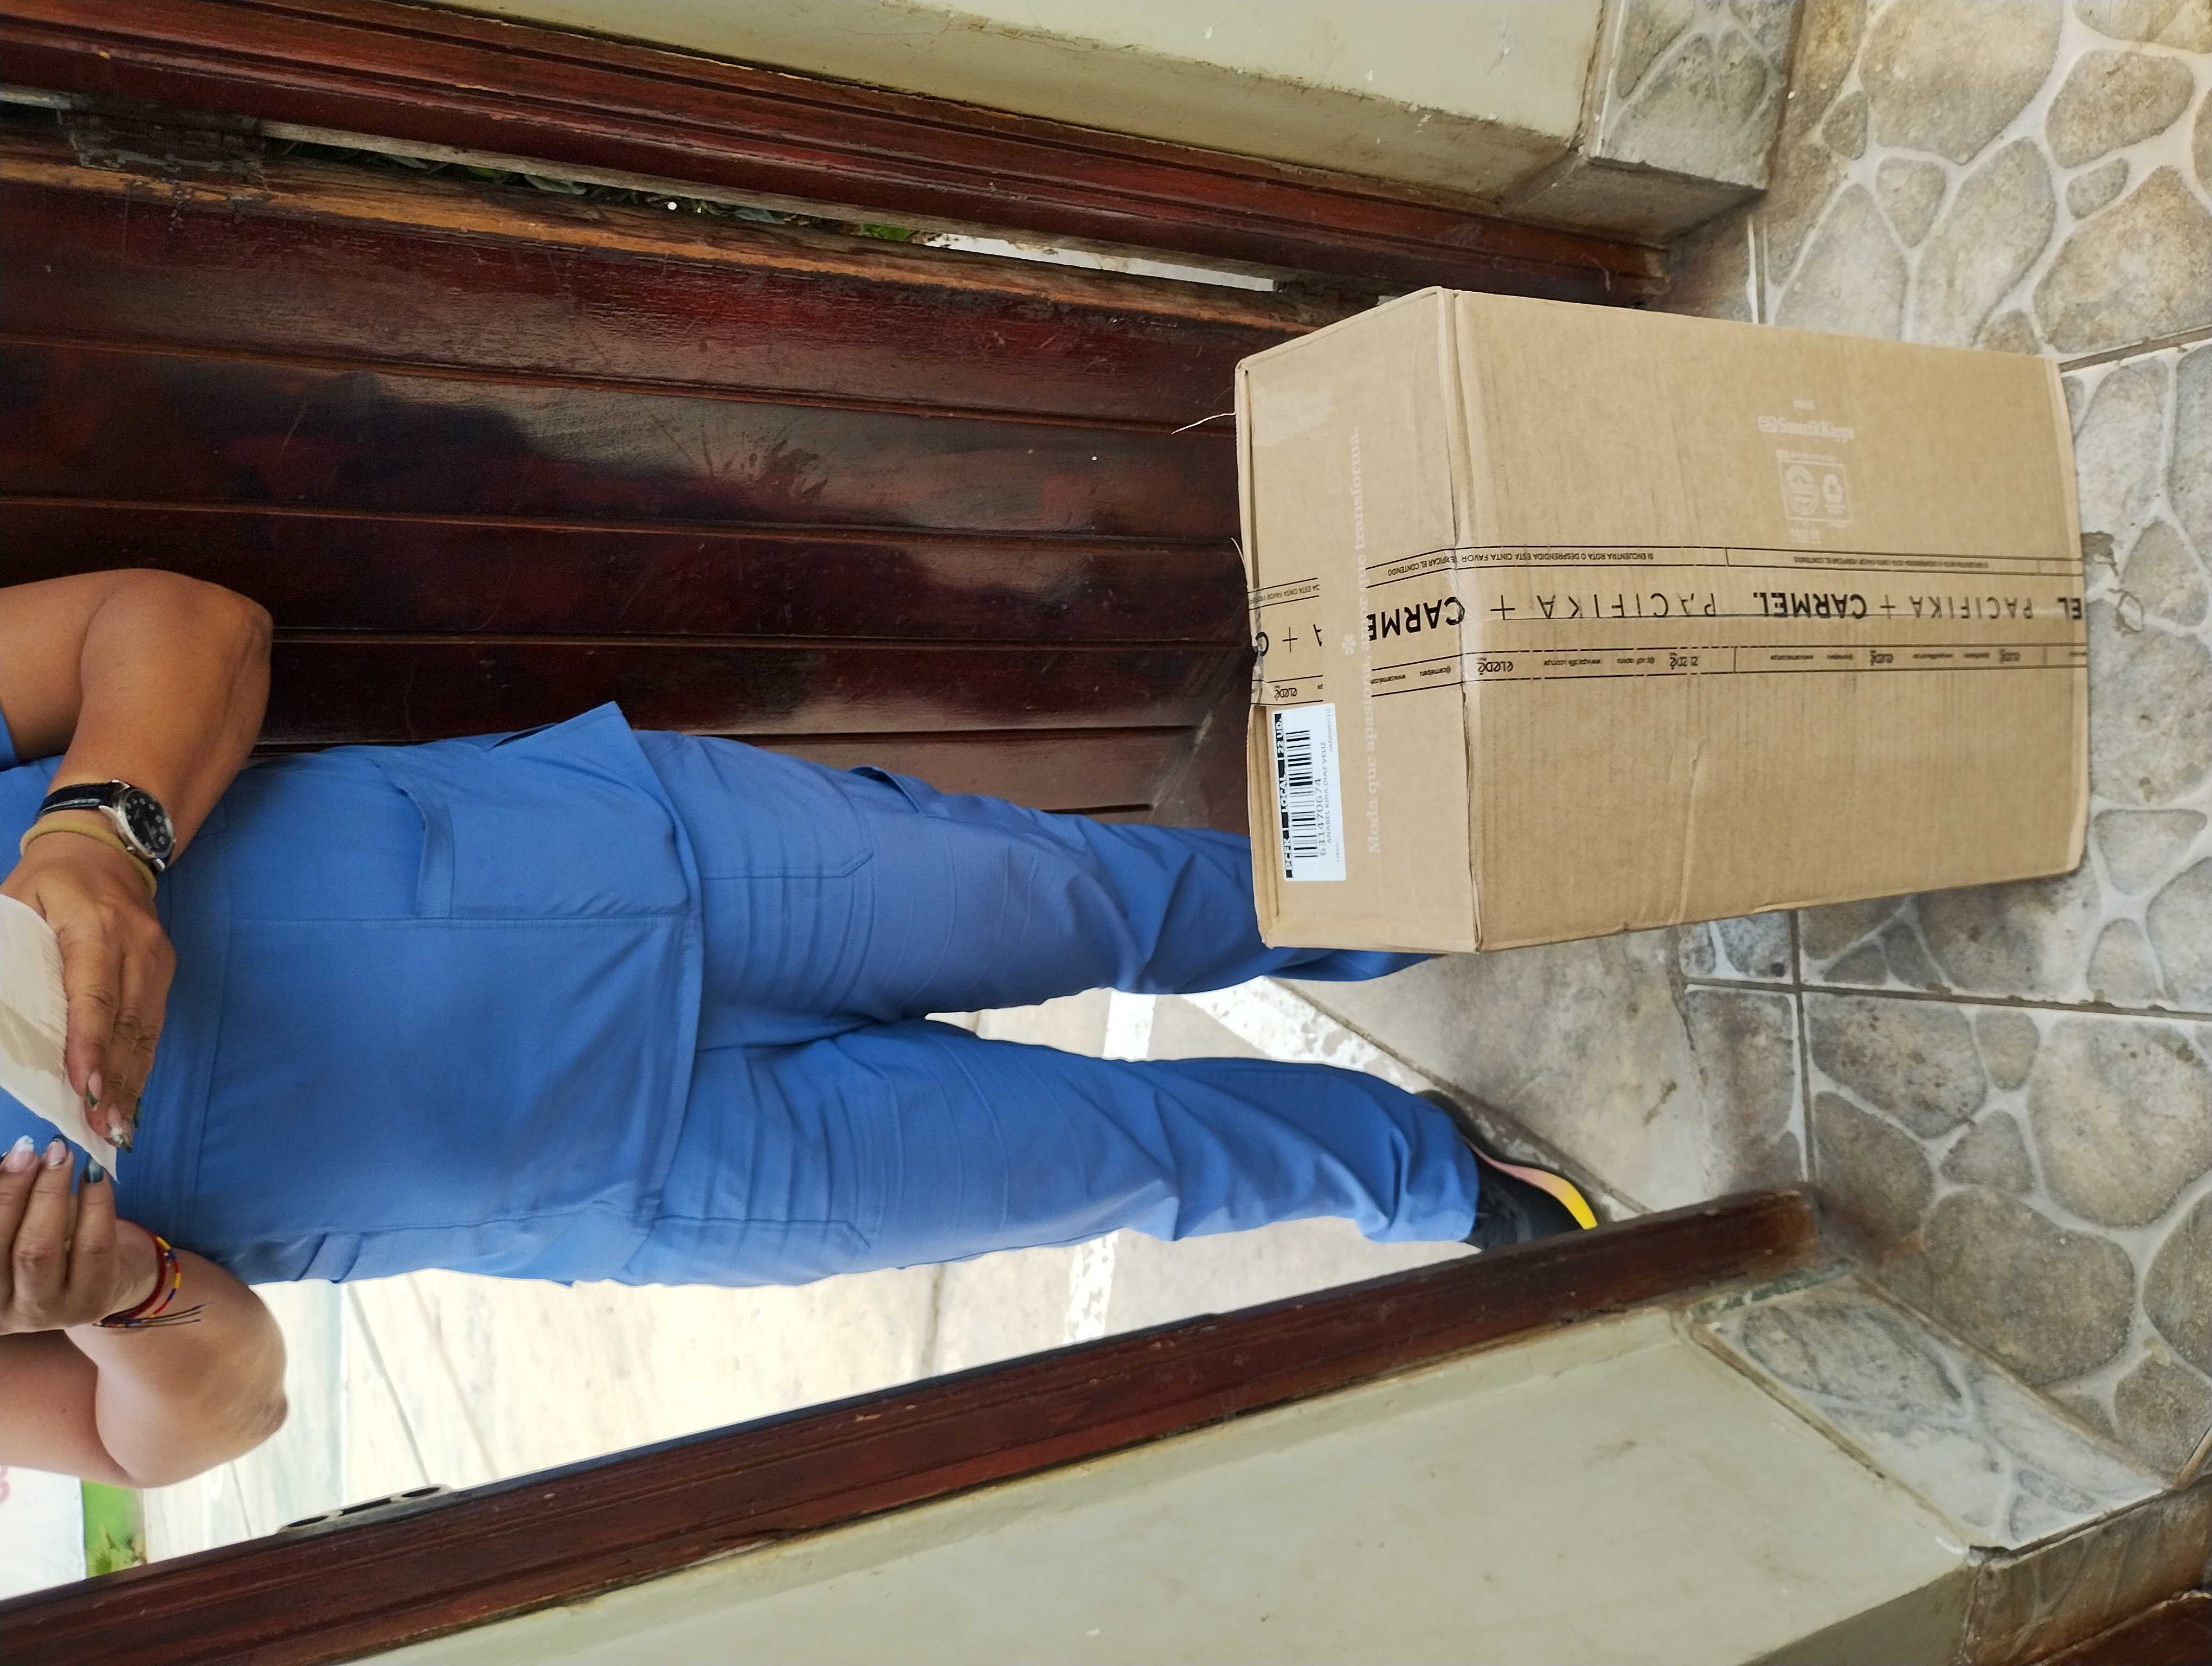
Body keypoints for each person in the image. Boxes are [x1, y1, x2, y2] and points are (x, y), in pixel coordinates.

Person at [0, 571, 1594, 1489]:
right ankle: (1419, 1174)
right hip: (631, 1174)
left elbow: (185, 626)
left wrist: (99, 837)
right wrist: (127, 1296)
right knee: (1117, 1163)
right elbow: (208, 1425)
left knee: (1112, 902)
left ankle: (1510, 886)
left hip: (631, 864)